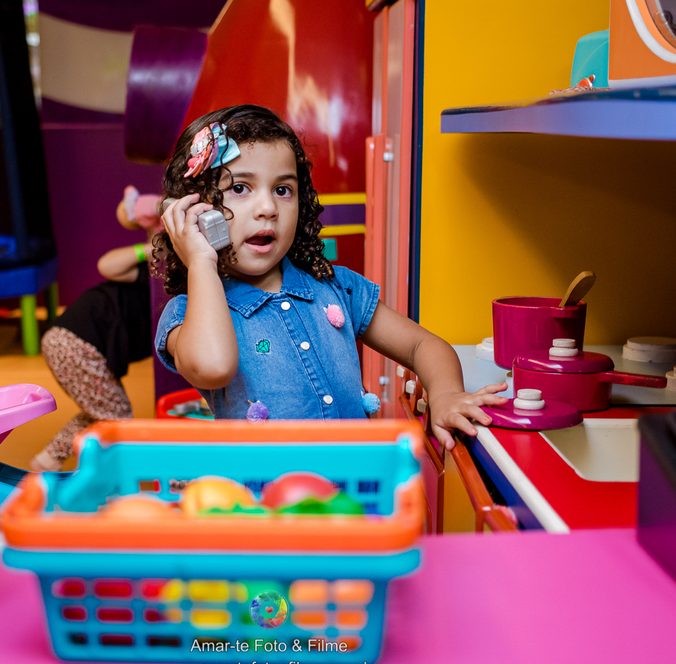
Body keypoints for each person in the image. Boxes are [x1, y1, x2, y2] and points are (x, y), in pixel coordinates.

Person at [154, 105, 506, 450]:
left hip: (358, 500)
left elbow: (423, 345)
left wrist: (445, 394)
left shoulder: (335, 288)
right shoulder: (188, 314)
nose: (268, 208)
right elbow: (213, 366)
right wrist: (201, 258)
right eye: (241, 188)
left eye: (282, 190)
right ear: (191, 212)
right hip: (265, 506)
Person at [29, 191, 157, 471]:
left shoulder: (172, 290)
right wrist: (151, 249)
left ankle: (49, 459)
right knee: (116, 414)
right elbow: (106, 265)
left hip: (72, 342)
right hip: (73, 342)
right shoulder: (144, 274)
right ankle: (54, 461)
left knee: (107, 411)